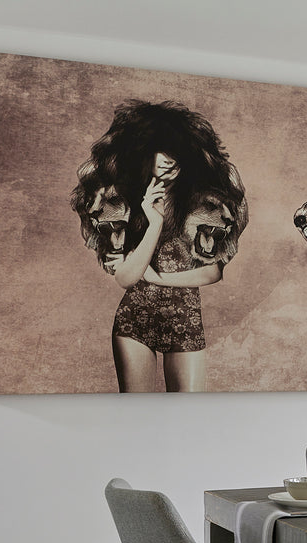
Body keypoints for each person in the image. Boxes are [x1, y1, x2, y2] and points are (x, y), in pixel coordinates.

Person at [70, 100, 247, 392]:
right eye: (158, 150)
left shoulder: (205, 201)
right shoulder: (124, 202)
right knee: (137, 418)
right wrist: (153, 222)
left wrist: (157, 277)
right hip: (135, 320)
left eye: (177, 151)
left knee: (189, 418)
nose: (168, 159)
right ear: (139, 152)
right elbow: (125, 278)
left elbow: (213, 273)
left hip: (186, 319)